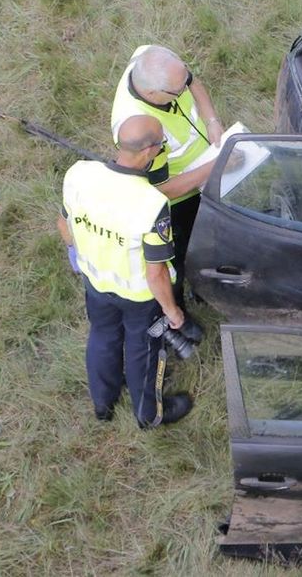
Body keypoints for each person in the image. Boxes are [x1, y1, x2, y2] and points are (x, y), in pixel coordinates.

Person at [59, 115, 194, 427]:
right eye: (161, 145)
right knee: (142, 350)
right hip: (139, 297)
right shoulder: (151, 203)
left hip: (95, 282)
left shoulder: (79, 174)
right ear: (148, 152)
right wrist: (172, 311)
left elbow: (63, 223)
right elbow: (156, 273)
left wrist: (80, 254)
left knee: (103, 337)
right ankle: (149, 414)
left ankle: (103, 405)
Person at [110, 45, 224, 303]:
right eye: (178, 90)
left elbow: (192, 81)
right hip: (179, 201)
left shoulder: (153, 59)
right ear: (153, 93)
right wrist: (217, 165)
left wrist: (212, 121)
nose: (185, 88)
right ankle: (183, 303)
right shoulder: (141, 130)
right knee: (187, 252)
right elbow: (158, 190)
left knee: (213, 236)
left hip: (206, 170)